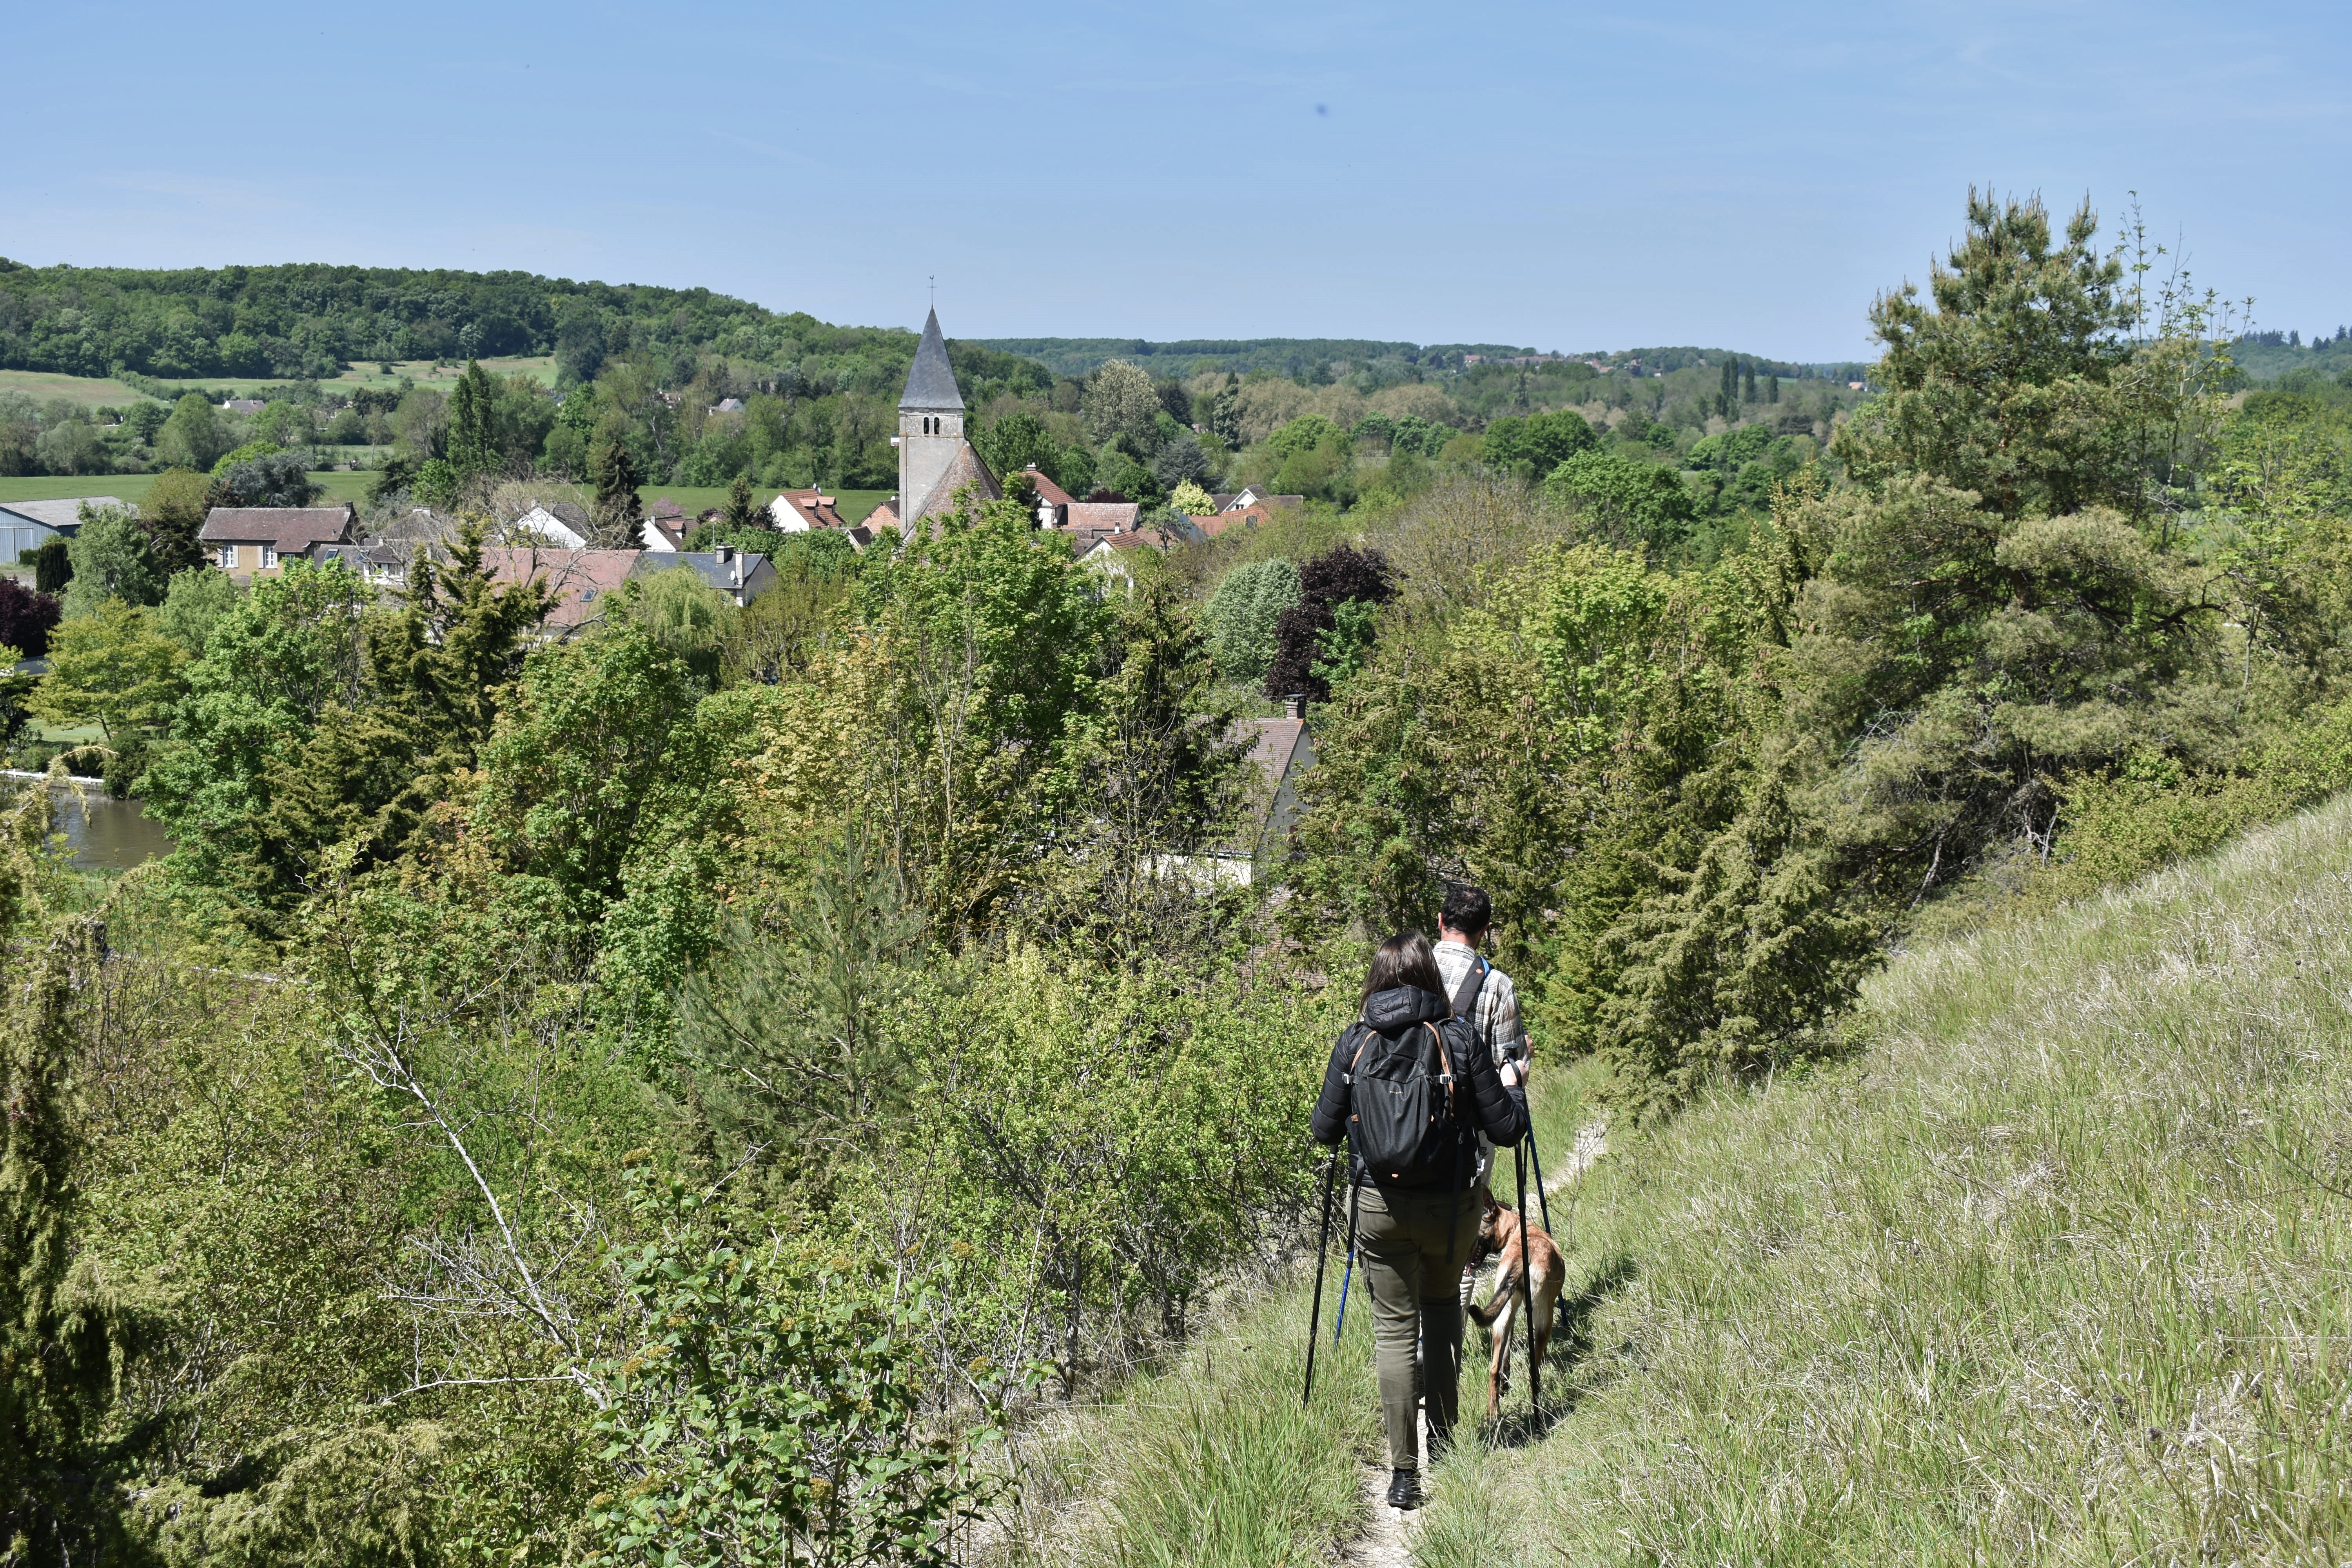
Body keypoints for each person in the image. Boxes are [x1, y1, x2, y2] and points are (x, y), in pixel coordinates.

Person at [1310, 931, 1528, 1512]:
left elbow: (1323, 1129)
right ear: (1430, 975)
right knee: (1442, 1313)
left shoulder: (1355, 1041)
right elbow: (1507, 1129)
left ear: (1377, 979)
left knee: (1393, 1333)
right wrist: (1514, 1089)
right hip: (1450, 1208)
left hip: (1378, 1207)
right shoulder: (1458, 1038)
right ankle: (1446, 1447)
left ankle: (1404, 1474)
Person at [1433, 884, 1530, 1292]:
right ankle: (1449, 1324)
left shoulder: (1406, 969)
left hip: (1401, 1125)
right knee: (1461, 1241)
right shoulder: (1498, 985)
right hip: (1469, 1138)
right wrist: (1520, 1068)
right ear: (1485, 931)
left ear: (1440, 921)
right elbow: (1511, 1069)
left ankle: (1411, 1325)